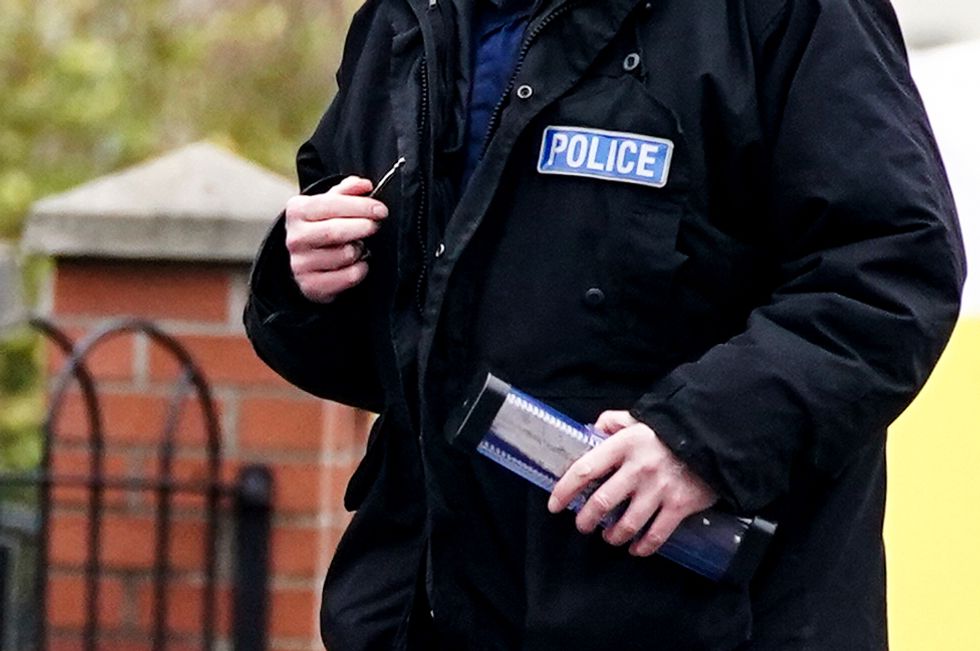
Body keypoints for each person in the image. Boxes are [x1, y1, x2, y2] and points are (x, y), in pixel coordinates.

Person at [244, 0, 966, 648]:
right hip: (423, 613)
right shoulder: (405, 20)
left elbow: (892, 271)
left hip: (710, 617)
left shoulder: (782, 16)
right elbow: (396, 354)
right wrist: (305, 275)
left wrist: (703, 440)